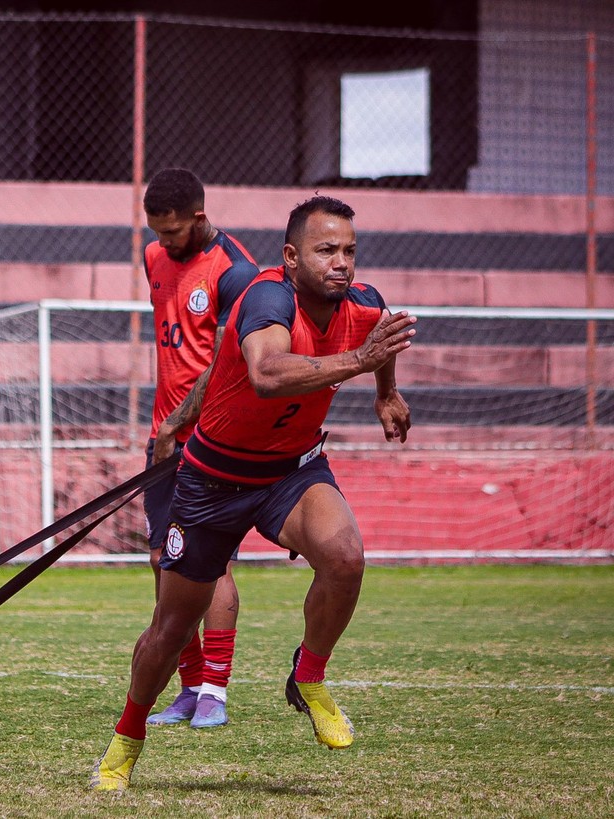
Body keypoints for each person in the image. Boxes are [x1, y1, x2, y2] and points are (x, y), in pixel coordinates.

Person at [92, 195, 415, 790]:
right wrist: (362, 362)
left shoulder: (363, 302)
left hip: (291, 470)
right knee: (171, 627)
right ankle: (127, 737)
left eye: (348, 250)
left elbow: (380, 336)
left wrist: (384, 392)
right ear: (291, 258)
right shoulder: (268, 297)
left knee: (345, 557)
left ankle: (309, 676)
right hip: (213, 478)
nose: (340, 262)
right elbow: (267, 374)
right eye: (325, 251)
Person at [140, 168, 260, 729]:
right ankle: (188, 689)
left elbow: (224, 364)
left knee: (209, 564)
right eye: (157, 232)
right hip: (165, 438)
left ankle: (215, 691)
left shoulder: (237, 273)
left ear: (200, 217)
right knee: (165, 561)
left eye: (173, 232)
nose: (164, 243)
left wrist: (177, 427)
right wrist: (163, 429)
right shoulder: (153, 258)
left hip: (211, 442)